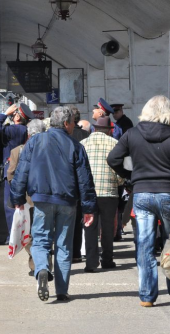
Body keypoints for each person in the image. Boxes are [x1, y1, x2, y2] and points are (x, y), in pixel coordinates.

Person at [107, 95, 170, 307]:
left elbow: (113, 159)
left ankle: (147, 295)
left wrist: (130, 175)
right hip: (168, 194)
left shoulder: (132, 134)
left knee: (144, 244)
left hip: (141, 194)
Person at [10, 106, 97, 302]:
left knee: (40, 240)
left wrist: (17, 199)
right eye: (73, 122)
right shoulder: (76, 146)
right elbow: (85, 180)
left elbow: (21, 171)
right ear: (66, 124)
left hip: (41, 200)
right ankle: (62, 291)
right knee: (63, 245)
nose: (74, 125)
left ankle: (41, 269)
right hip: (67, 201)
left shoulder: (35, 142)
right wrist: (89, 208)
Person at [80, 116, 124, 272]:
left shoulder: (82, 144)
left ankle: (91, 263)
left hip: (88, 193)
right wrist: (119, 182)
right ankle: (107, 260)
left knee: (90, 226)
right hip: (109, 192)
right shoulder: (115, 144)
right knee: (107, 227)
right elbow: (120, 168)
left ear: (94, 129)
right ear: (108, 131)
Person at [6, 119, 47, 276]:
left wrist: (18, 193)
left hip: (26, 200)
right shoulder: (50, 149)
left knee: (29, 232)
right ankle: (44, 261)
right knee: (44, 231)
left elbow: (11, 174)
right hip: (45, 197)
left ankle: (35, 263)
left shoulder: (17, 151)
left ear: (28, 133)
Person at [0, 103, 34, 243]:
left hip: (13, 170)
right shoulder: (25, 130)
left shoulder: (15, 130)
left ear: (17, 116)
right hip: (26, 169)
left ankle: (13, 238)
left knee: (10, 205)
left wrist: (4, 113)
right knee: (27, 204)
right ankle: (26, 235)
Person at [110, 103, 134, 239]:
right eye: (113, 112)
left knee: (123, 197)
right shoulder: (120, 122)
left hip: (125, 160)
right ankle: (119, 227)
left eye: (117, 111)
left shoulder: (125, 123)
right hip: (123, 159)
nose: (115, 114)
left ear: (122, 110)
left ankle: (120, 227)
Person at [70, 106, 90, 263]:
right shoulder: (85, 134)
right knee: (78, 220)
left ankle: (66, 251)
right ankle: (77, 252)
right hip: (80, 182)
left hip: (67, 182)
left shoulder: (64, 136)